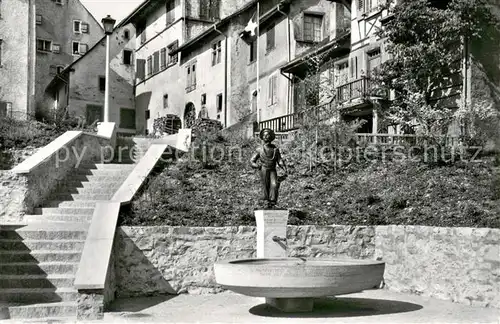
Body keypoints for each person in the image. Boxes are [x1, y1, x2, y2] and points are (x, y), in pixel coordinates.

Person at [250, 128, 288, 208]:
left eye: (268, 135)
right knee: (265, 185)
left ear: (271, 137)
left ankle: (273, 202)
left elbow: (279, 160)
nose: (267, 136)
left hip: (272, 169)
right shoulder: (259, 149)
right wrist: (257, 166)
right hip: (264, 169)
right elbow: (252, 161)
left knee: (274, 184)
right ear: (262, 137)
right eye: (265, 135)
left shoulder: (275, 150)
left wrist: (284, 168)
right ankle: (265, 202)